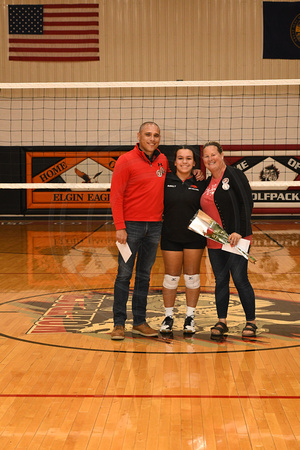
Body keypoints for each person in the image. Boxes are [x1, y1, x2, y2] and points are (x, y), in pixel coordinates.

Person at [110, 122, 169, 340]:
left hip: (155, 226)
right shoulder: (125, 160)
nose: (152, 139)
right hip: (131, 226)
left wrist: (197, 172)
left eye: (156, 135)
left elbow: (173, 179)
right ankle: (118, 324)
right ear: (138, 136)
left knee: (144, 276)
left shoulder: (163, 160)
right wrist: (120, 226)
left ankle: (139, 321)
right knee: (124, 275)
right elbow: (115, 195)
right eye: (148, 135)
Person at [200, 141, 257, 338]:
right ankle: (222, 321)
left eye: (213, 155)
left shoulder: (234, 175)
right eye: (206, 156)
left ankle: (251, 322)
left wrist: (239, 231)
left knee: (240, 279)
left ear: (222, 155)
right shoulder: (207, 182)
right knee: (221, 280)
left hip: (235, 238)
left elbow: (246, 203)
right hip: (214, 239)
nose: (210, 159)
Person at [160, 147, 206, 334]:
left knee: (192, 278)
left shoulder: (201, 182)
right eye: (180, 158)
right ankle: (168, 316)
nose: (184, 162)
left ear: (195, 163)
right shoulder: (165, 180)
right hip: (170, 235)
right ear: (175, 161)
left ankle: (190, 317)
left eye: (189, 159)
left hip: (194, 236)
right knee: (171, 278)